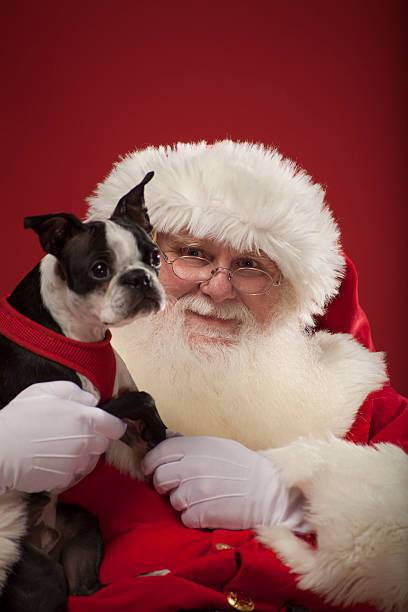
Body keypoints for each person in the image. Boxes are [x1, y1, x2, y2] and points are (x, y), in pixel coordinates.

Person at [1, 141, 407, 612]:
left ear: (291, 293)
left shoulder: (360, 402)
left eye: (251, 266)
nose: (217, 288)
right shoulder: (35, 387)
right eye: (192, 254)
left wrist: (302, 501)